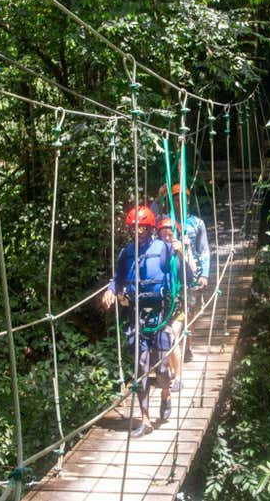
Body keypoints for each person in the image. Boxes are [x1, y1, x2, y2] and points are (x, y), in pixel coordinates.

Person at [101, 205, 178, 437]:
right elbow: (119, 278)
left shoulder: (164, 249)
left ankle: (166, 394)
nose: (139, 232)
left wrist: (180, 251)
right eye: (135, 228)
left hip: (160, 315)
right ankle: (144, 418)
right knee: (141, 366)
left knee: (163, 370)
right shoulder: (126, 253)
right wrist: (111, 290)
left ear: (151, 228)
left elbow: (179, 272)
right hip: (136, 315)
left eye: (143, 228)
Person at [152, 183, 211, 362]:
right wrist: (158, 197)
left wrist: (205, 274)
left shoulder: (197, 223)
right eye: (176, 199)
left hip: (191, 274)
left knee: (190, 312)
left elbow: (204, 250)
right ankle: (173, 350)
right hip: (170, 274)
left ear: (188, 201)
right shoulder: (165, 220)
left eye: (182, 199)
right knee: (172, 312)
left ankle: (187, 347)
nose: (179, 203)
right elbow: (150, 219)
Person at [156, 217, 196, 392]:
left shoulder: (181, 251)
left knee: (172, 339)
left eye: (170, 234)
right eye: (163, 234)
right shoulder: (156, 253)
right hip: (161, 306)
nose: (166, 237)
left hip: (178, 304)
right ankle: (173, 371)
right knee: (166, 342)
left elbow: (189, 276)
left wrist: (181, 252)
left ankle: (178, 377)